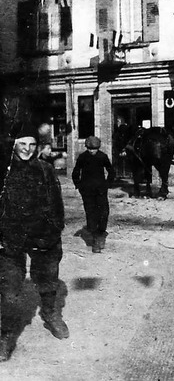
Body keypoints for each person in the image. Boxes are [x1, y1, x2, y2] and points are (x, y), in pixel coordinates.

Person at [0, 122, 69, 362]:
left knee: (49, 280)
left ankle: (51, 315)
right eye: (22, 144)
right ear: (14, 145)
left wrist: (55, 230)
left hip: (43, 236)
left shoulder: (45, 169)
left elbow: (56, 203)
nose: (27, 149)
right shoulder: (5, 171)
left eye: (31, 144)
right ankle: (7, 335)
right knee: (8, 291)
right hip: (11, 238)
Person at [72, 136, 115, 253]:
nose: (91, 151)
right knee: (91, 213)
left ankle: (101, 234)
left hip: (100, 190)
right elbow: (76, 172)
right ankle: (96, 241)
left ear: (98, 148)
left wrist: (107, 184)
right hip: (87, 191)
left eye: (94, 149)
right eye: (89, 148)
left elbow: (111, 171)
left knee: (103, 212)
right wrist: (79, 185)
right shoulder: (83, 157)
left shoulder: (102, 157)